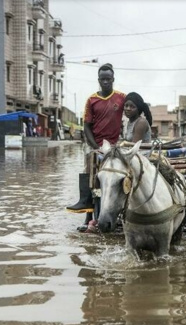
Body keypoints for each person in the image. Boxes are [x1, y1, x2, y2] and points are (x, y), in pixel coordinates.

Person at [66, 63, 126, 231]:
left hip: (114, 147)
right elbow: (86, 126)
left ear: (113, 79)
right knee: (91, 176)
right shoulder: (92, 100)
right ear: (98, 80)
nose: (105, 82)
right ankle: (87, 215)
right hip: (96, 146)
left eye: (108, 79)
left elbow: (133, 108)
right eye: (102, 79)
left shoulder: (121, 98)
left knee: (115, 181)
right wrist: (95, 146)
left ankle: (117, 214)